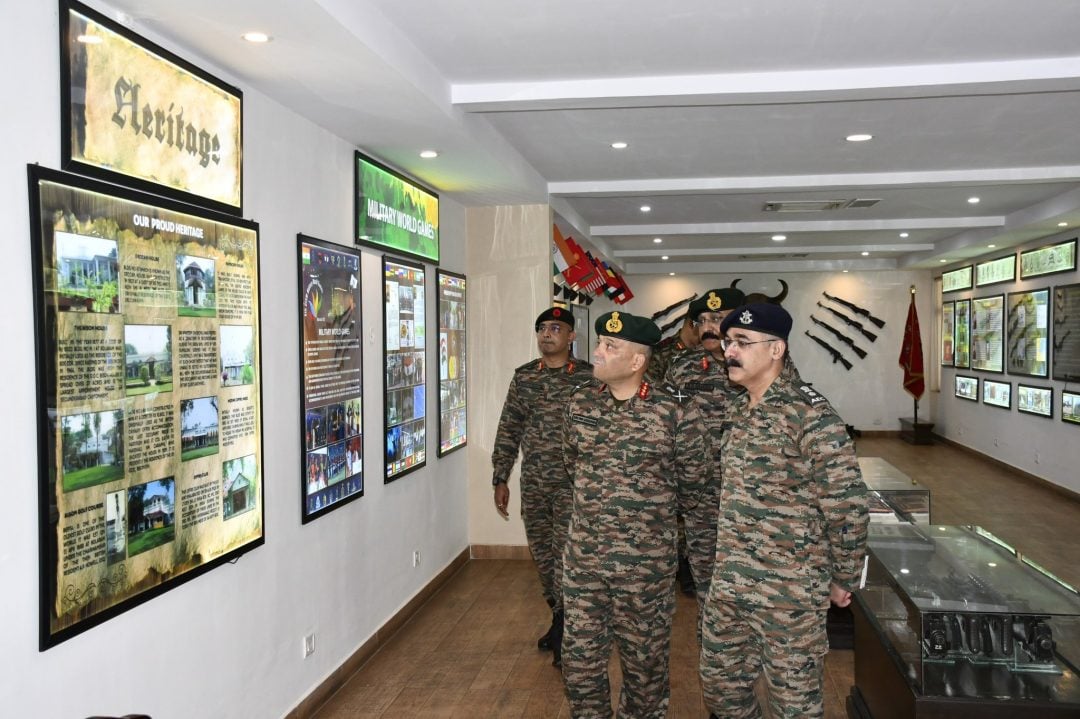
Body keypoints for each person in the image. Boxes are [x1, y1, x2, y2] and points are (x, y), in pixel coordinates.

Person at [699, 303, 869, 719]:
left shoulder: (809, 414)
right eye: (727, 342)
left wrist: (844, 575)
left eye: (741, 342)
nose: (729, 351)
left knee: (794, 705)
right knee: (721, 689)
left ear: (776, 350)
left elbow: (846, 503)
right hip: (731, 587)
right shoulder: (740, 409)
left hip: (789, 594)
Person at [561, 311, 706, 718]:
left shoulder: (674, 410)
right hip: (585, 562)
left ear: (637, 360)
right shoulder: (580, 403)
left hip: (645, 570)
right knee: (579, 664)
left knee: (644, 668)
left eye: (611, 347)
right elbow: (572, 465)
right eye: (600, 344)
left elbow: (694, 483)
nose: (598, 353)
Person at [491, 306, 592, 666]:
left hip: (573, 483)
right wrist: (501, 476)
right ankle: (557, 614)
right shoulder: (524, 378)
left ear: (571, 337)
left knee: (567, 555)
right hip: (534, 482)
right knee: (544, 555)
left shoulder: (589, 378)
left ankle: (568, 627)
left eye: (555, 328)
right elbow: (509, 429)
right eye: (542, 329)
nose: (547, 334)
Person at [662, 287, 745, 605]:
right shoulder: (682, 366)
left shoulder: (761, 364)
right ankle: (712, 645)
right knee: (706, 581)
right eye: (703, 319)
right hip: (700, 493)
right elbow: (666, 420)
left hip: (749, 491)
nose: (709, 326)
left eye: (718, 318)